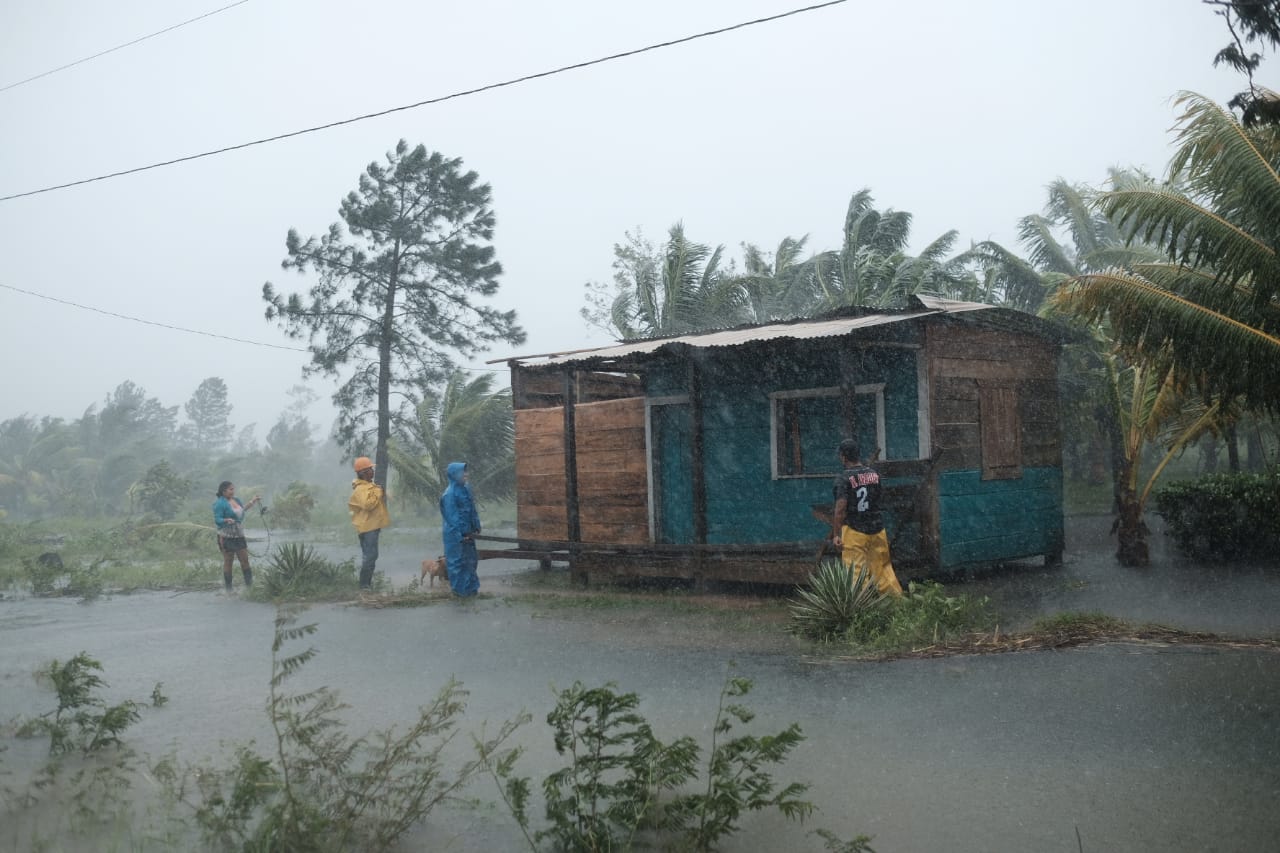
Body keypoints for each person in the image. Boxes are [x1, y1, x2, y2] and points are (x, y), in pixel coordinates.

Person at [830, 439, 903, 596]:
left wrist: (836, 534)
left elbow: (840, 509)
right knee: (883, 570)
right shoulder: (874, 475)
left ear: (843, 457)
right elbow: (877, 499)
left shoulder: (844, 479)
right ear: (858, 455)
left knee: (855, 574)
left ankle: (860, 612)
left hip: (855, 531)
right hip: (877, 529)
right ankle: (898, 606)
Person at [439, 461, 482, 597]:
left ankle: (471, 590)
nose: (466, 475)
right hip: (454, 535)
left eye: (466, 472)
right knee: (457, 562)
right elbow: (452, 518)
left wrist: (476, 524)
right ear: (454, 474)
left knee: (471, 560)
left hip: (468, 532)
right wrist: (459, 535)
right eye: (462, 472)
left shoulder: (466, 488)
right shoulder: (449, 494)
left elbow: (471, 509)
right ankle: (459, 592)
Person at [348, 456, 391, 591]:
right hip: (367, 528)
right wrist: (378, 491)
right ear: (363, 473)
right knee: (369, 557)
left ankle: (367, 585)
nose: (372, 471)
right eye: (370, 469)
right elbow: (368, 505)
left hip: (371, 526)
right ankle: (364, 586)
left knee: (372, 556)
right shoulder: (361, 489)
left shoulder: (367, 487)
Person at [213, 481, 260, 593]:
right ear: (224, 491)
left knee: (244, 560)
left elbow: (242, 510)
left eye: (233, 489)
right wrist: (225, 520)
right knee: (228, 561)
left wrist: (253, 501)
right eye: (230, 489)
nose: (233, 491)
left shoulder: (236, 500)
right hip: (226, 536)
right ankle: (229, 589)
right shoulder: (219, 503)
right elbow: (217, 519)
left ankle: (250, 587)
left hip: (238, 535)